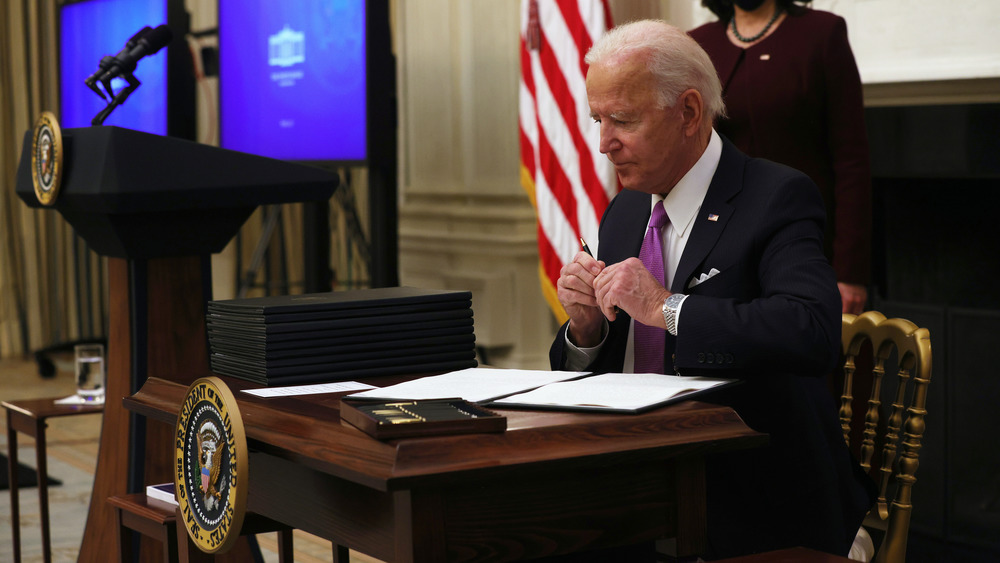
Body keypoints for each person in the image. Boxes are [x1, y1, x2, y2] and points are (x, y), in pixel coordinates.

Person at [549, 19, 875, 559]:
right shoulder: (626, 208)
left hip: (753, 500)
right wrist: (585, 330)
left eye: (622, 121)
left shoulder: (777, 196)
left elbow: (811, 331)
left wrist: (665, 308)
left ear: (689, 113)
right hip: (636, 491)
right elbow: (608, 373)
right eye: (597, 120)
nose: (604, 143)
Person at [688, 0, 872, 315]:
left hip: (807, 241)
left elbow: (851, 160)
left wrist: (850, 273)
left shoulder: (822, 32)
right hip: (721, 248)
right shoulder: (698, 43)